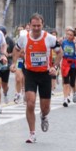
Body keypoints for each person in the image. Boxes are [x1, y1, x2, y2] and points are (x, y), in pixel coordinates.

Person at [10, 13, 61, 143]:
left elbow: (60, 52)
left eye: (39, 25)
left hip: (45, 74)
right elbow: (16, 50)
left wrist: (55, 66)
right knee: (30, 102)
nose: (36, 28)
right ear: (30, 25)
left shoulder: (49, 38)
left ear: (42, 25)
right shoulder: (24, 38)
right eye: (34, 26)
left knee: (45, 107)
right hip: (30, 73)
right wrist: (14, 63)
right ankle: (32, 133)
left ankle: (44, 116)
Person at [0, 25, 15, 113]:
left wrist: (7, 55)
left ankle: (5, 93)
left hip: (5, 65)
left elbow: (14, 53)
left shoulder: (10, 41)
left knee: (4, 86)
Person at [60, 27, 76, 107]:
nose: (69, 36)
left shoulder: (75, 42)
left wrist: (75, 43)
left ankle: (74, 92)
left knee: (72, 83)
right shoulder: (64, 42)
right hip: (65, 63)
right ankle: (65, 99)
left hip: (73, 64)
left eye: (70, 35)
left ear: (73, 36)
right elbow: (59, 50)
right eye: (67, 34)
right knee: (66, 82)